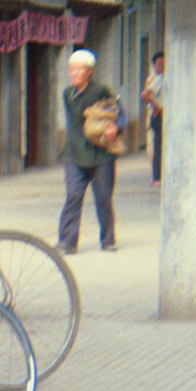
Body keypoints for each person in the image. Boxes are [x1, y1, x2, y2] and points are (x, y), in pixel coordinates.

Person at [57, 49, 122, 255]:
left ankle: (108, 239)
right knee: (73, 196)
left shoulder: (101, 90)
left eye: (77, 69)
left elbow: (120, 113)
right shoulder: (68, 93)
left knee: (103, 198)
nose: (72, 73)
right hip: (74, 154)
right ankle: (67, 242)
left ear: (89, 72)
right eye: (71, 69)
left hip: (101, 155)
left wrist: (115, 127)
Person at [141, 51, 164, 186]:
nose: (162, 66)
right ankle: (156, 177)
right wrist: (159, 106)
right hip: (158, 114)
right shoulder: (156, 79)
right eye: (160, 63)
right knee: (158, 146)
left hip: (167, 115)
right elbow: (145, 94)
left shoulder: (168, 77)